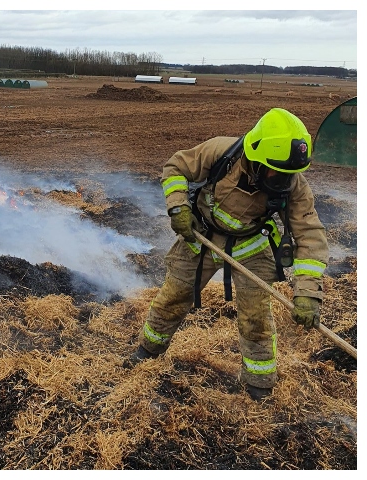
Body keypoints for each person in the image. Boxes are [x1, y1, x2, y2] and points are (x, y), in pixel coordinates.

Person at [124, 108, 329, 401]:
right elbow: (175, 168)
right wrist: (179, 208)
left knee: (256, 317)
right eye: (276, 172)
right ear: (256, 159)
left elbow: (309, 234)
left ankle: (260, 384)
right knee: (173, 296)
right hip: (202, 237)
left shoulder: (293, 183)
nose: (282, 181)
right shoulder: (221, 152)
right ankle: (147, 351)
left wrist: (308, 292)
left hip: (251, 246)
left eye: (288, 174)